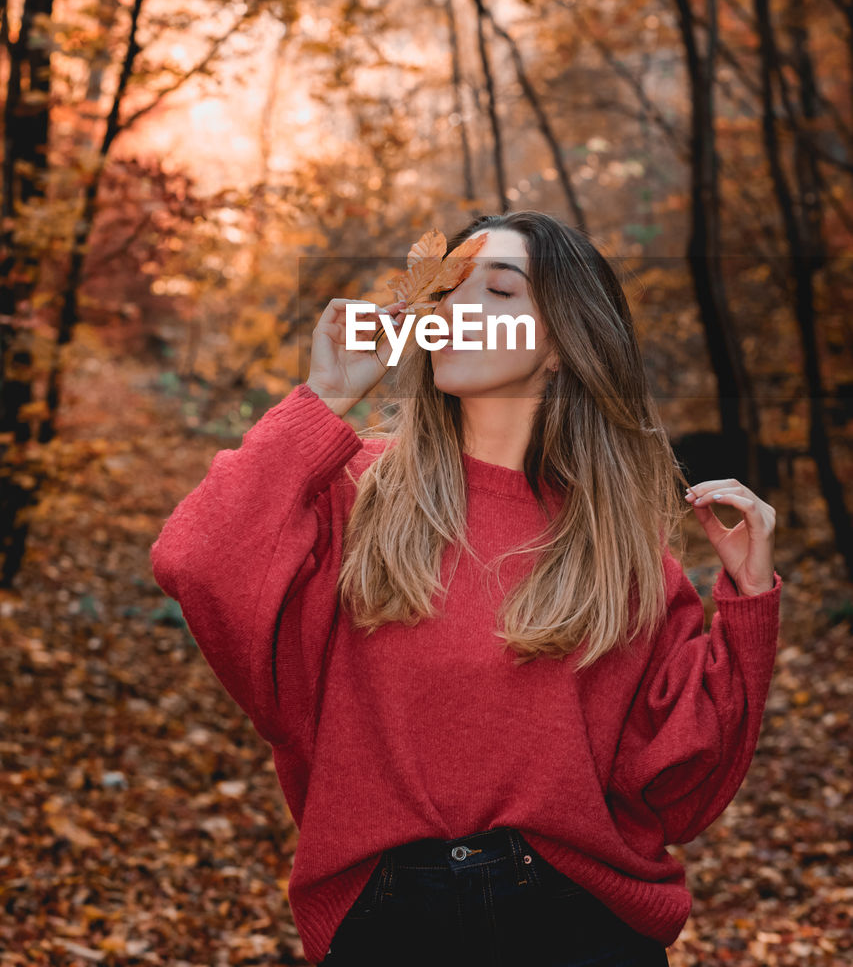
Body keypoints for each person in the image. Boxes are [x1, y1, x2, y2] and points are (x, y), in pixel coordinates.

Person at [150, 211, 782, 967]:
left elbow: (681, 789)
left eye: (501, 291)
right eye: (449, 290)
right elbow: (195, 560)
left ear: (558, 346)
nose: (457, 310)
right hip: (390, 922)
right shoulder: (352, 490)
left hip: (578, 923)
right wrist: (321, 398)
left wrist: (745, 601)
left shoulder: (615, 545)